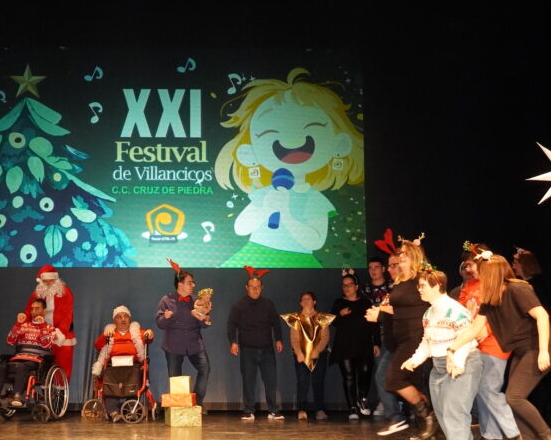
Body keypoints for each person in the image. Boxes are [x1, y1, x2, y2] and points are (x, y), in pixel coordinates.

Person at [214, 68, 366, 268]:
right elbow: (240, 228)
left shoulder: (314, 199)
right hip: (255, 257)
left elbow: (315, 241)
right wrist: (266, 208)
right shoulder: (266, 193)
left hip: (298, 260)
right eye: (271, 133)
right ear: (250, 151)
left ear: (339, 144)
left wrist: (286, 213)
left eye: (311, 130)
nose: (291, 141)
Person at [448, 253, 551, 440]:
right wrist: (452, 348)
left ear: (491, 274)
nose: (476, 275)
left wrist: (543, 351)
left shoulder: (517, 289)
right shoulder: (490, 299)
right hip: (521, 351)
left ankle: (549, 439)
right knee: (513, 399)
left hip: (538, 348)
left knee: (514, 396)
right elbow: (475, 328)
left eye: (480, 272)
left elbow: (543, 316)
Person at [400, 269, 482, 440]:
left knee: (455, 407)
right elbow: (427, 342)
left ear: (437, 286)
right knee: (442, 409)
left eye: (423, 286)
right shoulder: (429, 312)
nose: (419, 290)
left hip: (462, 361)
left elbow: (465, 338)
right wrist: (414, 360)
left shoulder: (456, 310)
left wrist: (458, 362)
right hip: (438, 365)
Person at [452, 244, 521, 440]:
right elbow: (463, 313)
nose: (469, 268)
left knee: (489, 389)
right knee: (481, 390)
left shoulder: (493, 285)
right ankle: (490, 434)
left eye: (473, 263)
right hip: (475, 343)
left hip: (494, 343)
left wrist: (481, 333)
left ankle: (517, 433)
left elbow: (495, 315)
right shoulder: (469, 286)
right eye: (467, 264)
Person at [365, 236, 434, 440]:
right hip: (402, 338)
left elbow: (421, 305)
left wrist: (381, 312)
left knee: (394, 379)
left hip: (415, 337)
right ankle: (426, 424)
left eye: (403, 254)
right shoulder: (401, 281)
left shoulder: (420, 280)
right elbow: (399, 307)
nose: (399, 257)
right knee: (409, 382)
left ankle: (428, 416)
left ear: (413, 257)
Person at [0, 299, 65, 409]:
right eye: (32, 308)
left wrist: (41, 326)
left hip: (36, 361)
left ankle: (17, 396)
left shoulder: (50, 328)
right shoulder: (23, 326)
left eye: (37, 308)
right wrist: (18, 324)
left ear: (44, 311)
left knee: (22, 367)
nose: (33, 311)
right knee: (2, 367)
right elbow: (10, 341)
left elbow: (45, 344)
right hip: (19, 358)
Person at [228, 267, 285, 420]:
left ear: (262, 288)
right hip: (247, 349)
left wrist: (278, 339)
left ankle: (273, 409)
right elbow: (231, 324)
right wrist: (233, 342)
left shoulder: (268, 304)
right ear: (247, 288)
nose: (255, 290)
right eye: (252, 287)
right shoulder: (239, 304)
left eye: (257, 287)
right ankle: (248, 410)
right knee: (248, 381)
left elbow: (276, 323)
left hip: (266, 348)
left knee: (270, 380)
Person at [156, 260, 210, 408]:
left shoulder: (196, 301)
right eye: (190, 283)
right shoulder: (166, 300)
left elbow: (202, 323)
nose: (193, 285)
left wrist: (204, 320)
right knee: (175, 378)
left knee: (205, 369)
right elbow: (159, 324)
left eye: (193, 282)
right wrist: (167, 318)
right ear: (180, 285)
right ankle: (179, 409)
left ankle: (196, 403)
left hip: (194, 342)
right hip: (173, 344)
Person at [91, 306, 153, 421]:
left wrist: (150, 332)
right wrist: (105, 335)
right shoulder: (110, 332)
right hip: (113, 367)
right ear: (114, 321)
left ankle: (131, 410)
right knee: (111, 385)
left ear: (130, 319)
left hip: (133, 367)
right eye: (119, 317)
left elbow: (149, 338)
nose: (123, 319)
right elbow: (97, 345)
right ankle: (114, 413)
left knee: (133, 382)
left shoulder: (136, 331)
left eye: (126, 317)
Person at [330, 270, 375, 420]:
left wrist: (377, 343)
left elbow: (373, 324)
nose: (347, 288)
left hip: (363, 345)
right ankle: (352, 408)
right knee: (349, 376)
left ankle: (362, 398)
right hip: (344, 346)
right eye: (344, 285)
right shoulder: (339, 303)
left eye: (350, 285)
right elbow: (331, 322)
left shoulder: (365, 303)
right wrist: (340, 315)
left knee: (365, 370)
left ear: (356, 287)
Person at [283, 291, 332, 421]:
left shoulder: (321, 317)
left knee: (318, 382)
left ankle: (319, 410)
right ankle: (302, 409)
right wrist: (298, 353)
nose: (305, 301)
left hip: (319, 355)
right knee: (302, 382)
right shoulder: (296, 319)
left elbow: (325, 337)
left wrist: (317, 351)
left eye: (308, 299)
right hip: (301, 355)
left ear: (314, 301)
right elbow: (294, 339)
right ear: (300, 303)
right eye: (303, 299)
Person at [361, 257, 398, 422]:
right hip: (377, 336)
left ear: (383, 269)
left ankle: (403, 404)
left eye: (377, 267)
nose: (373, 270)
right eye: (370, 268)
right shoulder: (366, 289)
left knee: (397, 371)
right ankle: (386, 404)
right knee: (380, 371)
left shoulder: (393, 286)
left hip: (396, 333)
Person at [26, 265, 76, 381]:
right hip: (41, 335)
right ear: (41, 281)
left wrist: (59, 332)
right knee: (40, 365)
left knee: (63, 365)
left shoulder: (65, 293)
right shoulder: (36, 295)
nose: (48, 283)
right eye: (45, 281)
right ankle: (43, 389)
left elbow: (67, 315)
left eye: (51, 280)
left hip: (62, 336)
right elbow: (29, 312)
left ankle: (61, 391)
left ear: (56, 279)